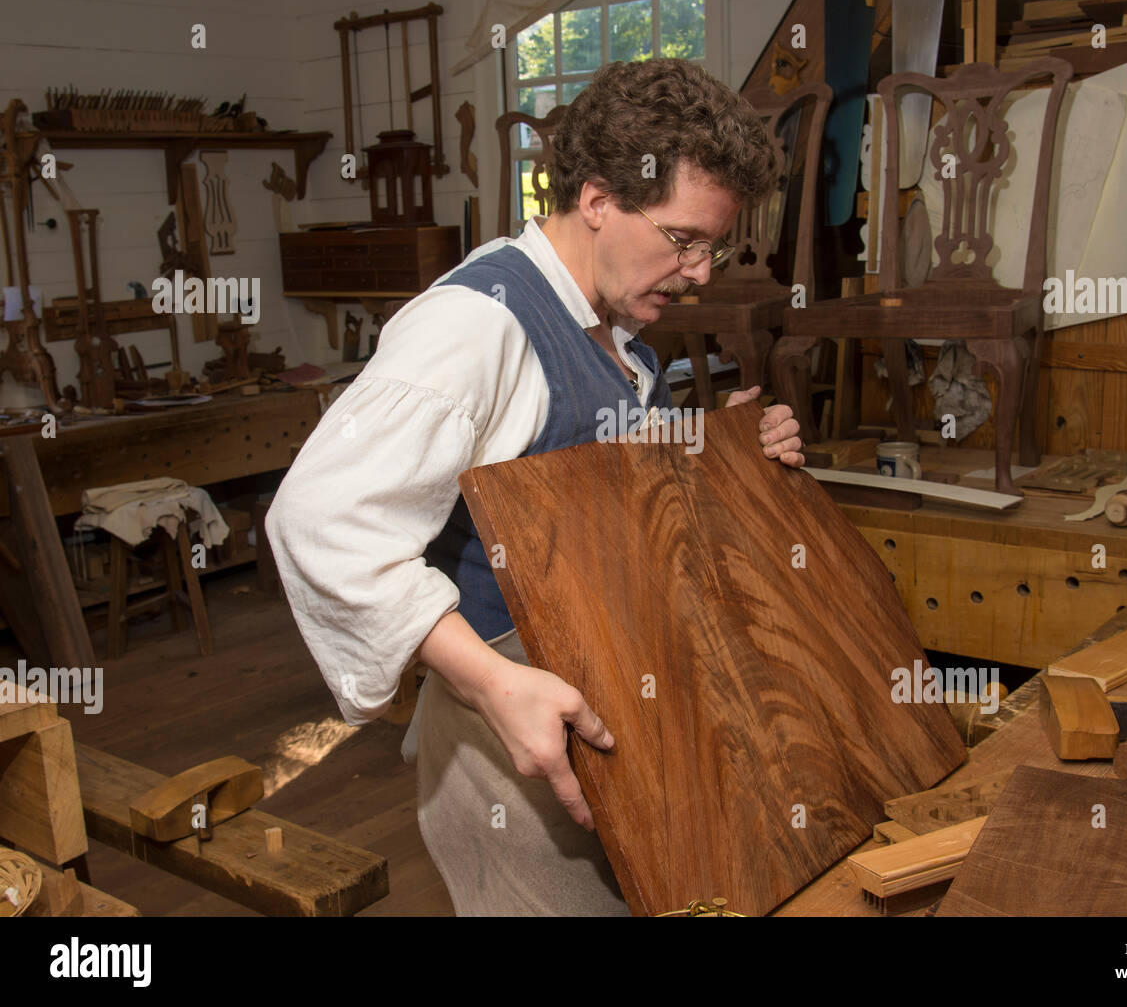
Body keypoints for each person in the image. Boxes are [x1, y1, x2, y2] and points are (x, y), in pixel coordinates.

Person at [266, 58, 805, 916]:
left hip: (610, 694)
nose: (703, 272)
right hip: (503, 734)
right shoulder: (476, 324)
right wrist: (491, 682)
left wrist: (723, 452)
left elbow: (589, 488)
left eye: (717, 246)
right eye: (684, 240)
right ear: (597, 200)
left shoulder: (618, 331)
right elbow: (320, 517)